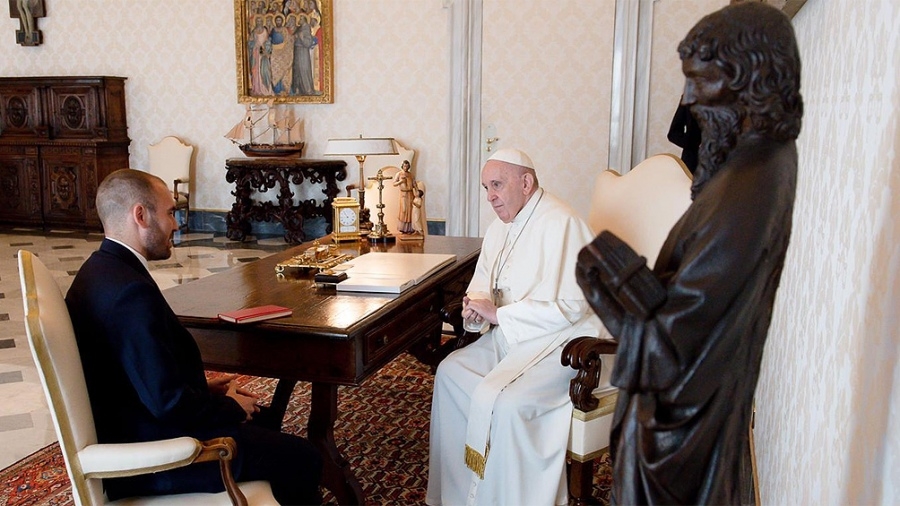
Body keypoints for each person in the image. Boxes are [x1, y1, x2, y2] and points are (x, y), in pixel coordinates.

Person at [575, 3, 803, 504]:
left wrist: (614, 283)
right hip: (693, 425)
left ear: (748, 77)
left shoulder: (747, 190)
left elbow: (675, 352)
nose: (690, 99)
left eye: (701, 81)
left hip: (682, 444)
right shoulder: (749, 165)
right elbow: (694, 304)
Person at [65, 169, 323, 504]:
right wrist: (229, 407)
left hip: (137, 423)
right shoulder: (129, 293)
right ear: (141, 216)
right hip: (154, 456)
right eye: (170, 213)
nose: (176, 224)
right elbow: (168, 404)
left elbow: (135, 376)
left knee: (265, 420)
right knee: (304, 457)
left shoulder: (100, 270)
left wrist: (205, 390)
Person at [427, 148, 601, 506]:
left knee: (510, 403)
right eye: (486, 187)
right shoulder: (499, 228)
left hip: (561, 345)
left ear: (526, 183)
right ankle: (463, 497)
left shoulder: (563, 223)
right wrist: (475, 309)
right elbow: (482, 283)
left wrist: (499, 316)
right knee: (450, 373)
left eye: (497, 185)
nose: (490, 196)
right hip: (510, 337)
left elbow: (573, 306)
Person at [393, 160, 416, 234]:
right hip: (403, 194)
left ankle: (410, 229)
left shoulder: (411, 174)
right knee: (404, 210)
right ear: (402, 166)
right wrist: (401, 182)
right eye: (404, 166)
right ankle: (402, 228)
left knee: (410, 210)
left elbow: (414, 183)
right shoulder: (399, 174)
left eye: (407, 166)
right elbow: (394, 183)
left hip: (410, 194)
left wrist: (417, 191)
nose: (405, 167)